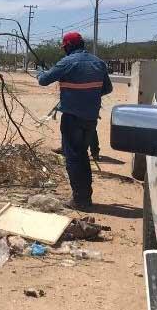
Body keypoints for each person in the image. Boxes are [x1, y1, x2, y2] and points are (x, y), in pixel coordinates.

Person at [38, 31, 112, 210]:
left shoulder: (67, 62)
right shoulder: (98, 62)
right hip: (90, 118)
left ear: (68, 46)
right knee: (82, 156)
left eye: (64, 47)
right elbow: (107, 88)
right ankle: (84, 196)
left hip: (72, 119)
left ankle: (80, 200)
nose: (64, 50)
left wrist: (40, 71)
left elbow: (43, 80)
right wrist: (88, 96)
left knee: (73, 158)